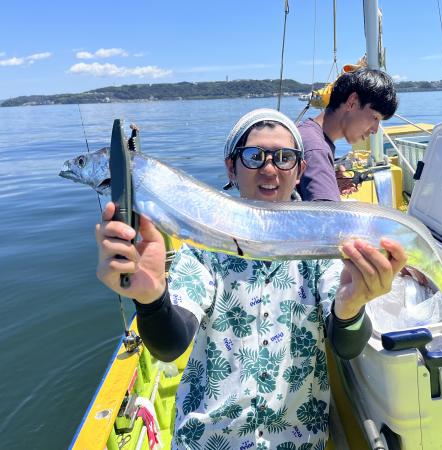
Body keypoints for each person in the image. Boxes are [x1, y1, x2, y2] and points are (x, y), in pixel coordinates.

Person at [96, 109, 407, 449]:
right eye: (254, 156)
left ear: (300, 170)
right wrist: (151, 299)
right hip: (208, 440)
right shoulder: (205, 244)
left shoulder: (320, 244)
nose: (270, 169)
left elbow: (347, 345)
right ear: (231, 167)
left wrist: (350, 307)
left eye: (285, 158)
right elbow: (170, 345)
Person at [298, 68, 398, 201]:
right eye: (375, 117)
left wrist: (329, 185)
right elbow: (326, 213)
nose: (375, 130)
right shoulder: (316, 149)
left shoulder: (309, 134)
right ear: (352, 102)